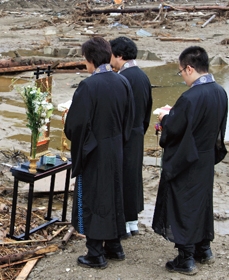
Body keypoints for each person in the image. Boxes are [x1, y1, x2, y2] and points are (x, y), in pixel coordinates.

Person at [152, 46, 228, 275]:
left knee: (182, 204)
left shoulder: (190, 96)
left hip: (187, 158)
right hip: (205, 157)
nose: (182, 76)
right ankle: (203, 248)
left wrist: (166, 118)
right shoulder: (219, 91)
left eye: (181, 72)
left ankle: (185, 258)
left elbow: (174, 130)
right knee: (202, 203)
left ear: (190, 68)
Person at [64, 37, 134, 269]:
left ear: (91, 59)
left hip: (94, 150)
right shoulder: (121, 81)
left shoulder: (89, 85)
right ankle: (114, 246)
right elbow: (129, 119)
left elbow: (76, 125)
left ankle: (96, 253)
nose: (85, 64)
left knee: (93, 197)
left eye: (85, 60)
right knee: (113, 195)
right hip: (115, 147)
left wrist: (71, 129)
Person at [110, 37, 153, 238]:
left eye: (111, 54)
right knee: (133, 176)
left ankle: (124, 224)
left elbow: (118, 111)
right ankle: (133, 221)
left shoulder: (123, 78)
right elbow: (147, 112)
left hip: (123, 135)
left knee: (122, 177)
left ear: (119, 56)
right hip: (137, 134)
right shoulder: (143, 76)